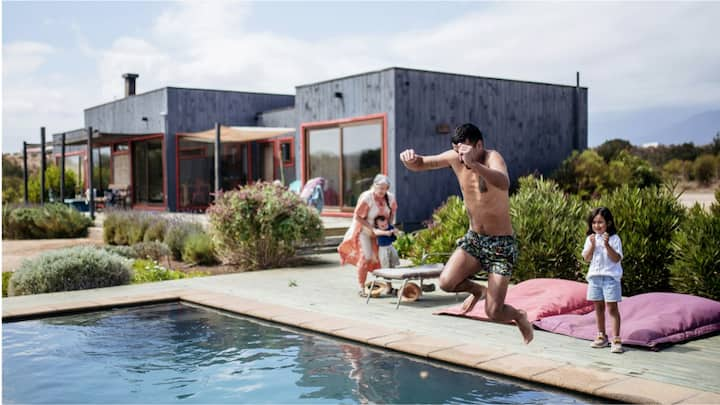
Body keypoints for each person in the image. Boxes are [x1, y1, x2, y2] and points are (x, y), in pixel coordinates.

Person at [399, 123, 533, 344]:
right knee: (446, 282)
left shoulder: (492, 158)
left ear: (479, 145)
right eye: (457, 151)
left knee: (494, 312)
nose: (461, 157)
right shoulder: (455, 157)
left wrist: (475, 165)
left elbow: (503, 182)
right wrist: (410, 160)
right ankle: (477, 290)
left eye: (465, 151)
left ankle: (519, 316)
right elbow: (422, 163)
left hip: (501, 245)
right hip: (475, 240)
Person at [338, 174, 398, 297]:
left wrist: (390, 227)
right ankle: (361, 287)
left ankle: (389, 287)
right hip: (365, 231)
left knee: (384, 258)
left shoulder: (390, 198)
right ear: (374, 186)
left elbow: (392, 213)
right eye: (380, 188)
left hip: (381, 233)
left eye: (385, 188)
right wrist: (372, 229)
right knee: (366, 257)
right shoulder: (367, 198)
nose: (382, 191)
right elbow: (358, 216)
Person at [582, 207, 624, 354]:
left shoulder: (614, 239)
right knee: (598, 307)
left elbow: (616, 258)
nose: (597, 225)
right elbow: (586, 258)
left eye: (600, 222)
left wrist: (606, 245)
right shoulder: (590, 239)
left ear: (609, 223)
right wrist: (593, 246)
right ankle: (601, 335)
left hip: (610, 278)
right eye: (594, 222)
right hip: (594, 278)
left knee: (612, 308)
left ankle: (616, 338)